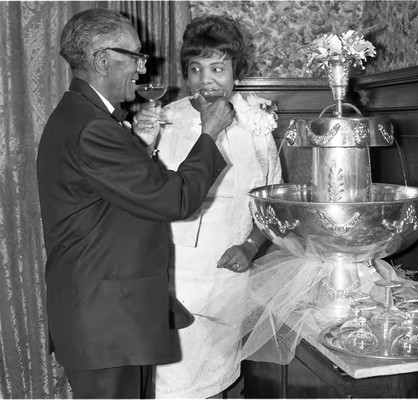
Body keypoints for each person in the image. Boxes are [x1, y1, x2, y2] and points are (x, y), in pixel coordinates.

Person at [36, 8, 234, 399]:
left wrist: (141, 148)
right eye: (136, 57)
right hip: (107, 325)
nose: (142, 69)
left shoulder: (88, 117)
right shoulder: (93, 127)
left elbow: (115, 201)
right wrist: (209, 132)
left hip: (113, 320)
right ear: (102, 60)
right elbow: (176, 199)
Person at [135, 14, 282, 398]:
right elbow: (144, 192)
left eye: (218, 68)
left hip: (227, 272)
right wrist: (143, 143)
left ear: (237, 71)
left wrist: (250, 246)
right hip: (172, 271)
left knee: (213, 376)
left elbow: (271, 203)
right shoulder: (166, 119)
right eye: (196, 69)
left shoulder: (257, 126)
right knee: (172, 379)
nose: (206, 80)